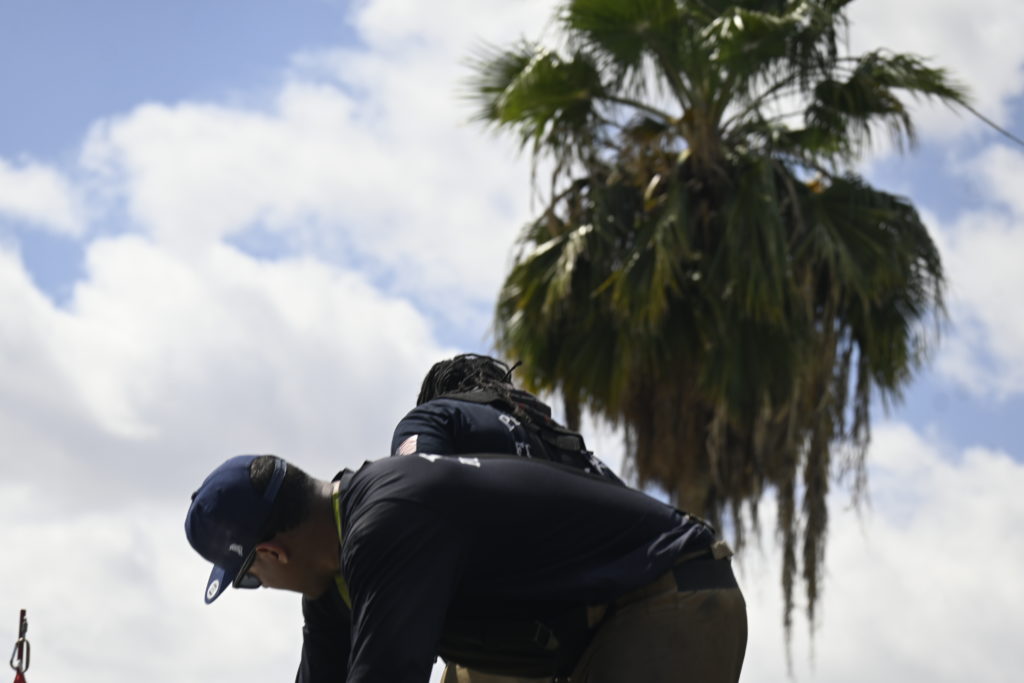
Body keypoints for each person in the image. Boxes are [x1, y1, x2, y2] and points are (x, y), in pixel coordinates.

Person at [184, 451, 748, 683]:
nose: (263, 585)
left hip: (665, 595)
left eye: (249, 578)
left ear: (271, 553)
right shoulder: (335, 581)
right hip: (611, 618)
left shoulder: (385, 521)